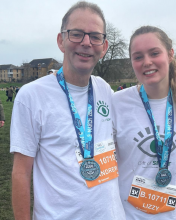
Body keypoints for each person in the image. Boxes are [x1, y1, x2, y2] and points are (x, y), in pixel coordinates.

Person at [10, 2, 125, 220]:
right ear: (61, 41)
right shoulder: (31, 96)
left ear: (104, 46)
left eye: (94, 36)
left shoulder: (105, 90)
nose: (86, 42)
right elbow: (21, 173)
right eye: (77, 34)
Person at [112, 26, 176, 220]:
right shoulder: (116, 102)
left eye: (154, 53)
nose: (147, 62)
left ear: (170, 54)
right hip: (126, 215)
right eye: (138, 57)